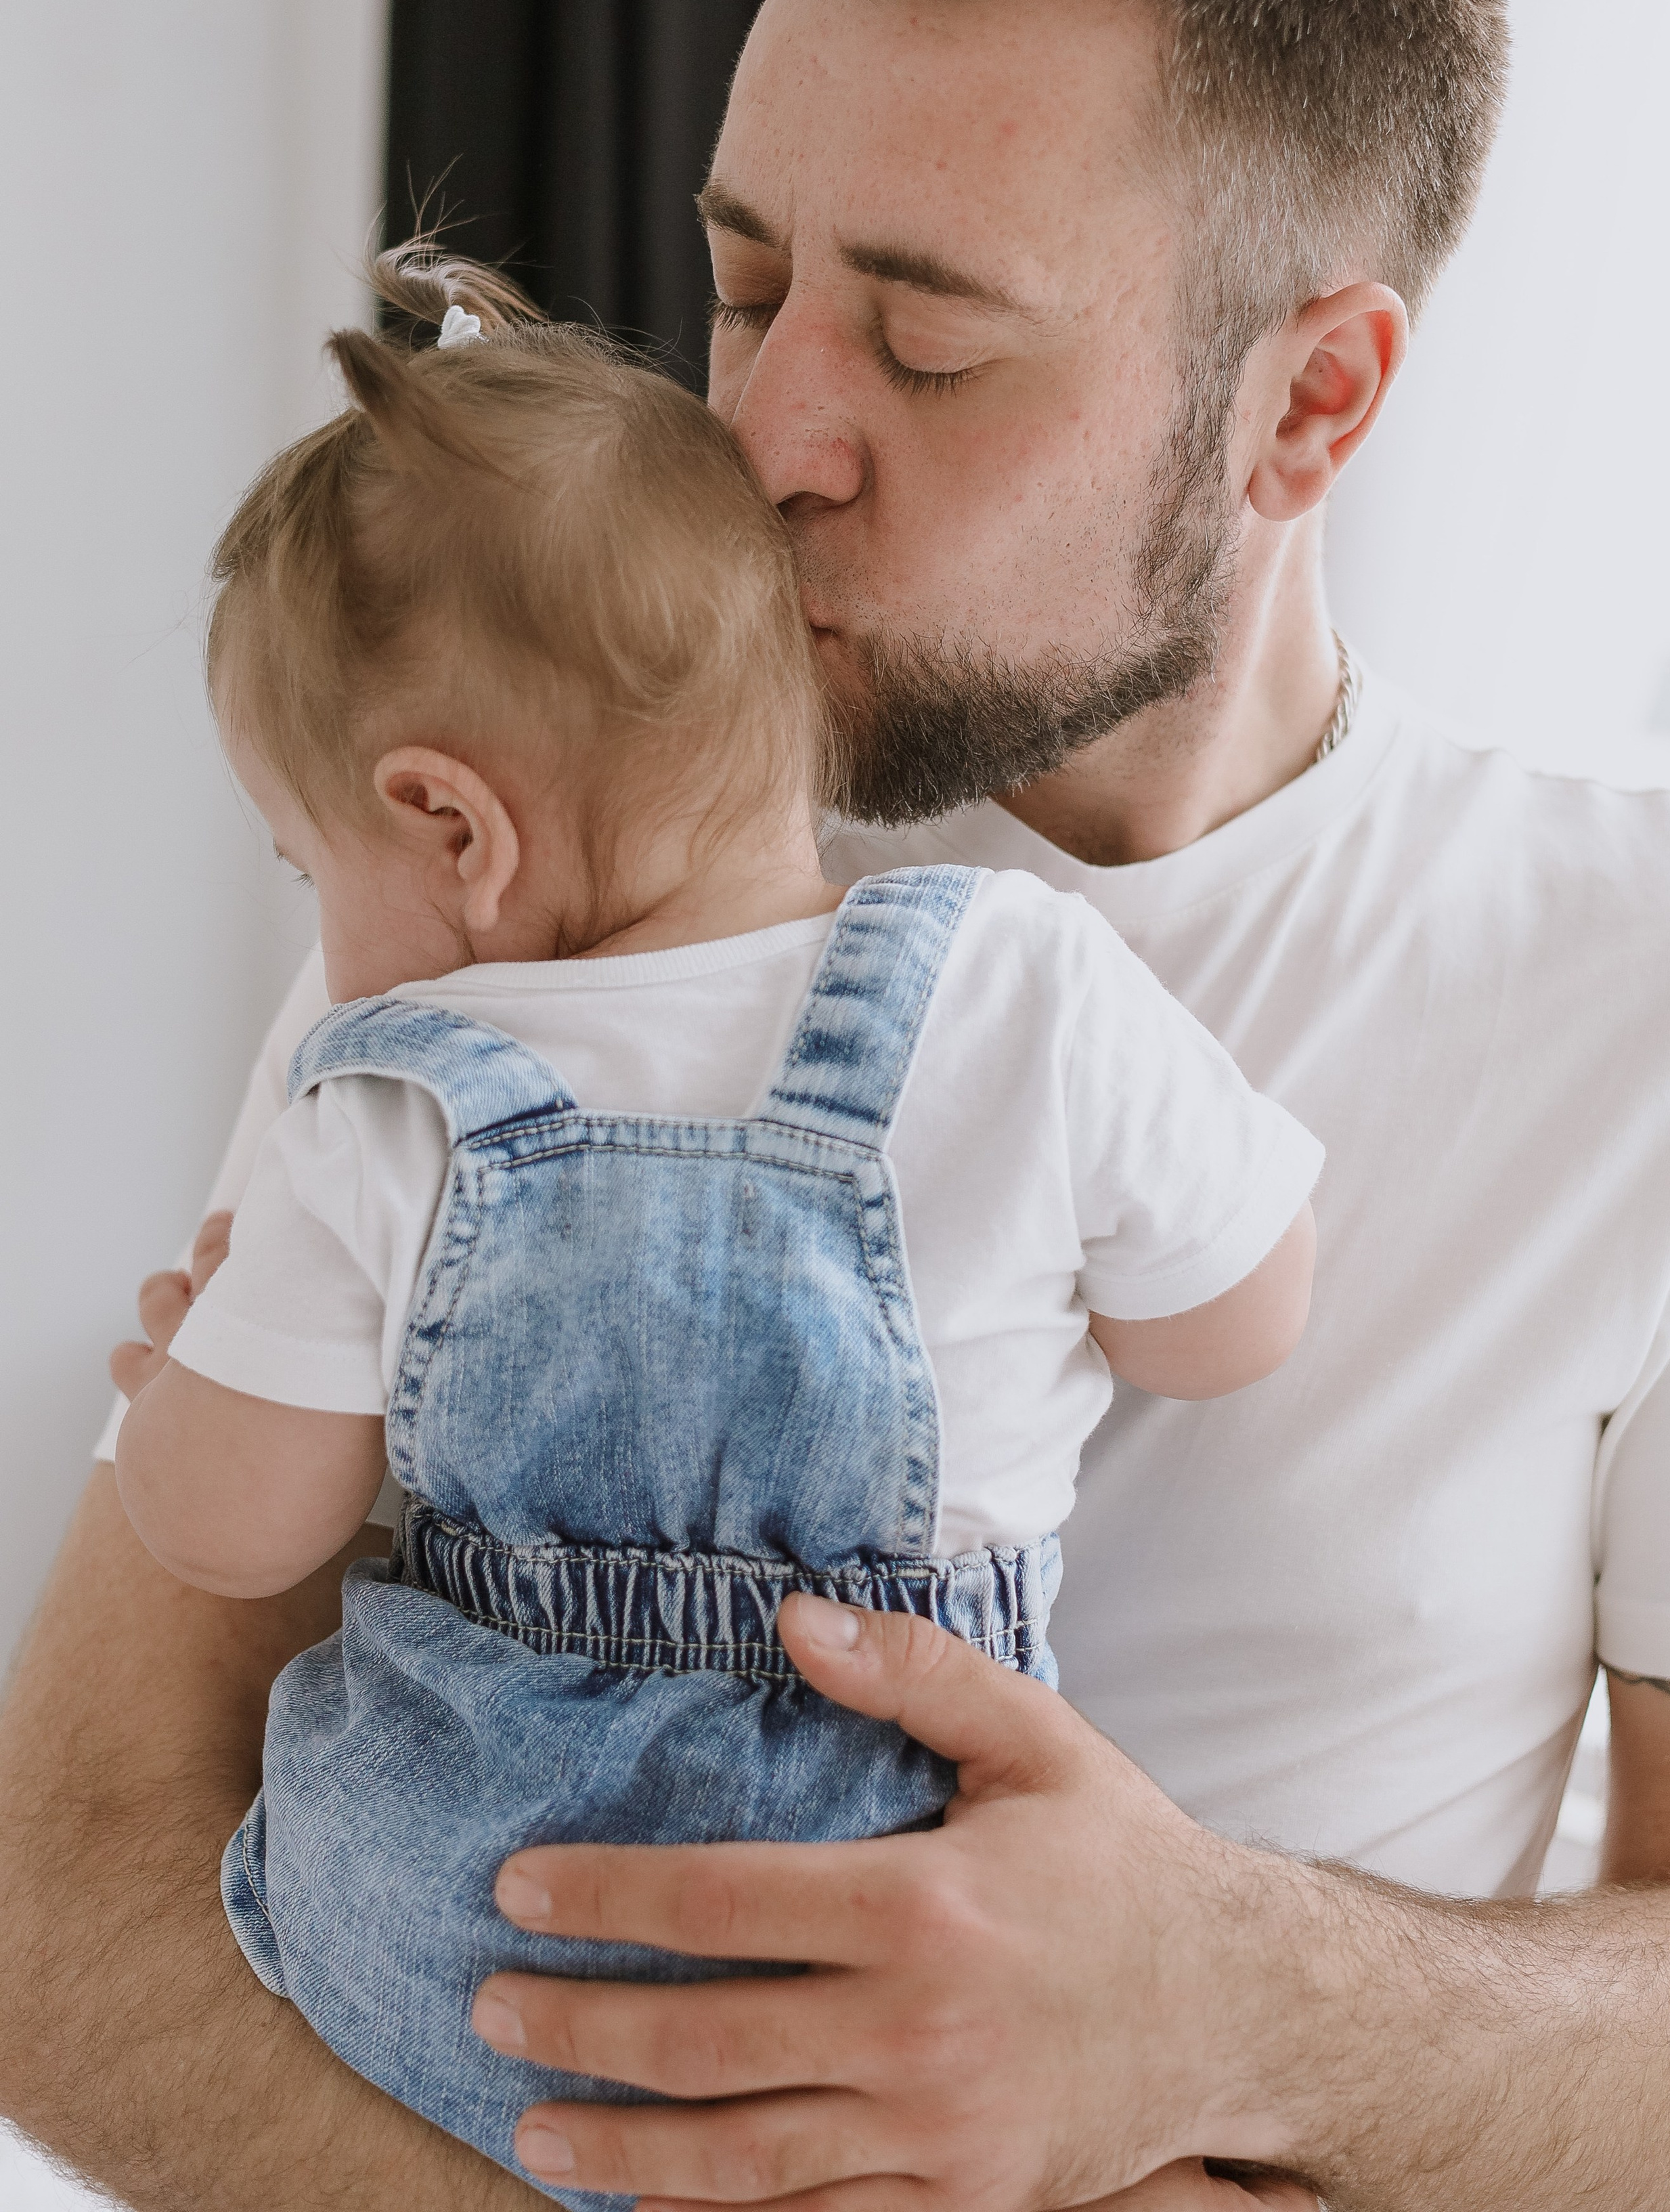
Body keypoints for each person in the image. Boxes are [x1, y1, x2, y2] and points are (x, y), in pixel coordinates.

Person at [6, 0, 1670, 2212]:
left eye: (928, 342)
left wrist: (1235, 2000)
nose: (773, 429)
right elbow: (65, 1894)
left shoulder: (1665, 997)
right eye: (740, 280)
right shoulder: (534, 896)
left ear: (1311, 404)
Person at [106, 239, 1317, 2200]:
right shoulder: (1025, 982)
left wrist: (200, 1377)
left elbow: (223, 1524)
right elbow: (1238, 1326)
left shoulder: (388, 1094)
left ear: (450, 830)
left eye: (300, 865)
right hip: (884, 1997)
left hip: (452, 1984)